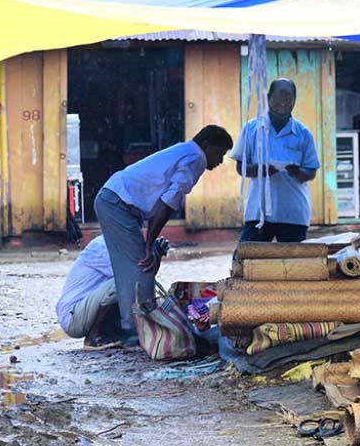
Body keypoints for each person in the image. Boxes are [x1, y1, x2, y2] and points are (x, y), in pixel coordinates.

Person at [94, 125, 233, 346]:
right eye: (220, 153)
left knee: (131, 269)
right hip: (116, 203)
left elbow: (164, 205)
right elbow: (166, 206)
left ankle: (129, 327)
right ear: (207, 145)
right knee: (143, 266)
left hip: (113, 199)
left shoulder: (186, 151)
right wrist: (149, 245)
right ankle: (137, 330)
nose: (220, 160)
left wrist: (149, 244)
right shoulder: (196, 157)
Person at [232, 78, 319, 243]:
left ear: (295, 100)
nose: (284, 102)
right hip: (258, 212)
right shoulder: (251, 129)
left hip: (293, 213)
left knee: (293, 265)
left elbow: (311, 172)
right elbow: (240, 167)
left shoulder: (303, 133)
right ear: (268, 97)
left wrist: (298, 172)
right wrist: (259, 170)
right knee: (248, 261)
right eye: (280, 96)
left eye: (289, 98)